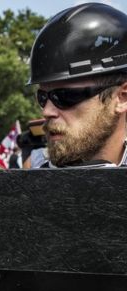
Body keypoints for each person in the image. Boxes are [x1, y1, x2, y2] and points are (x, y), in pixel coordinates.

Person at [28, 3, 127, 168]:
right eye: (43, 97)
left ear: (122, 97)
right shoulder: (27, 188)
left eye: (65, 96)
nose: (46, 111)